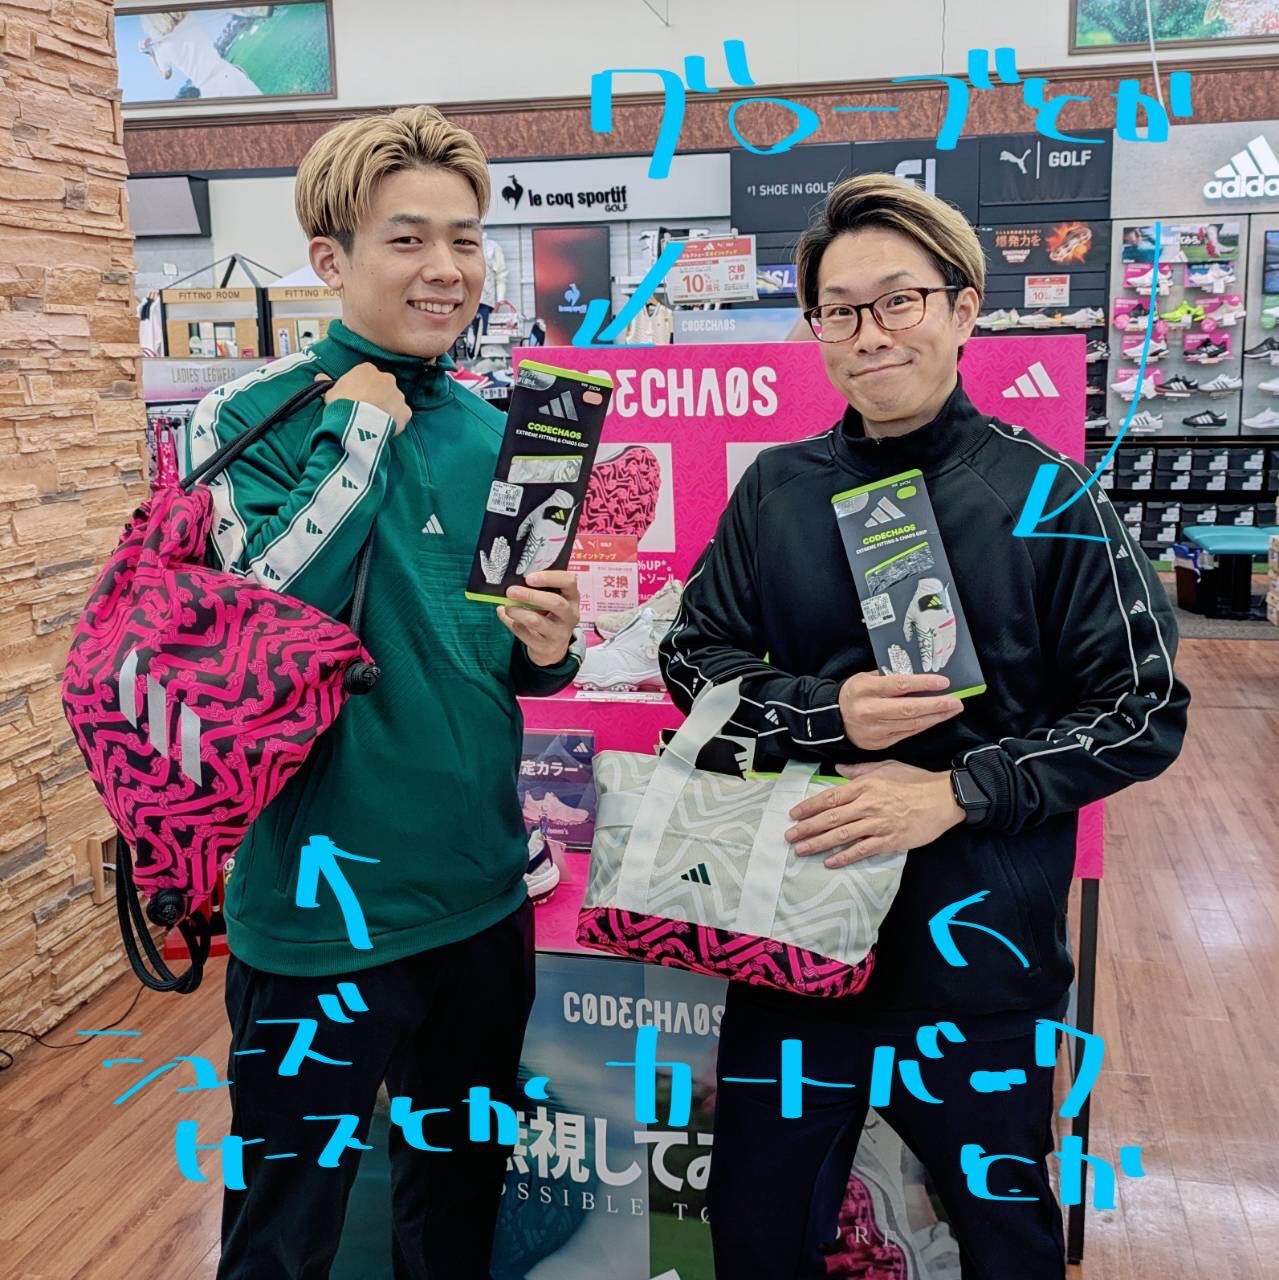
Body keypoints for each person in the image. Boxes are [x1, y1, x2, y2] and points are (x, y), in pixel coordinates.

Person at [658, 173, 1189, 1279]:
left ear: (961, 307)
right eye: (839, 310)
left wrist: (954, 791)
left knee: (1002, 1235)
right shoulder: (777, 491)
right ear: (815, 329)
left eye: (898, 300)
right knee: (756, 1228)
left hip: (977, 956)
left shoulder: (1050, 495)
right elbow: (690, 656)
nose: (869, 332)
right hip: (792, 942)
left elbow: (1140, 709)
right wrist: (826, 711)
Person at [183, 106, 584, 1279]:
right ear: (331, 258)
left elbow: (499, 654)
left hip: (480, 899)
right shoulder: (245, 418)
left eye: (464, 239)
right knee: (281, 1235)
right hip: (318, 915)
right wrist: (356, 430)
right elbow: (264, 620)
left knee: (454, 1216)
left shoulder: (505, 429)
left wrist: (550, 645)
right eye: (408, 239)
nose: (445, 268)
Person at [138, 11, 262, 99]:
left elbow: (166, 75)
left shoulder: (162, 49)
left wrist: (149, 53)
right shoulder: (189, 19)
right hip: (227, 74)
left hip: (209, 91)